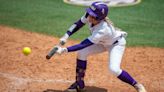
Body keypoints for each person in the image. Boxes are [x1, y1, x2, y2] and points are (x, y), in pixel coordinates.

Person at [55, 2, 147, 92]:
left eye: (92, 15)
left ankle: (137, 85)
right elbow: (78, 24)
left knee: (114, 69)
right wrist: (66, 35)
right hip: (102, 42)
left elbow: (84, 44)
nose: (89, 16)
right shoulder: (90, 15)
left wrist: (65, 50)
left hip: (115, 44)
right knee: (82, 53)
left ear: (98, 18)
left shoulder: (103, 29)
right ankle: (79, 85)